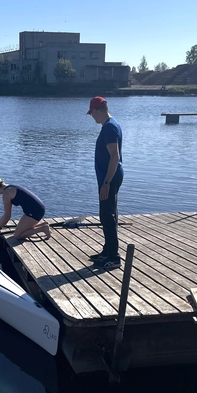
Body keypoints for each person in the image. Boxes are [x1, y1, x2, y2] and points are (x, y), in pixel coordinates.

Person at [87, 96, 123, 269]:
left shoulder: (109, 127)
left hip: (110, 178)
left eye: (91, 113)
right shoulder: (111, 124)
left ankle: (114, 257)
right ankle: (107, 251)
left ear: (97, 110)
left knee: (107, 217)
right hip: (109, 177)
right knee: (109, 215)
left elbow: (115, 156)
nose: (92, 117)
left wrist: (106, 183)